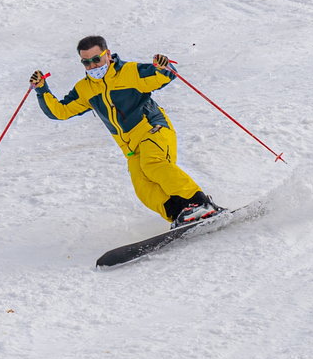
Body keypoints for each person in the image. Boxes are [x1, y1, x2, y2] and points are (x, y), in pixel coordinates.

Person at [30, 35, 220, 226]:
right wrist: (41, 89)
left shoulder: (129, 72)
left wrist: (162, 67)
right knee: (143, 188)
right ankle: (180, 213)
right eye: (86, 62)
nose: (93, 66)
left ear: (108, 54)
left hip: (152, 128)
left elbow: (160, 77)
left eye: (97, 59)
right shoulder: (85, 89)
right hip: (131, 146)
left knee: (153, 163)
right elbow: (61, 111)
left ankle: (200, 203)